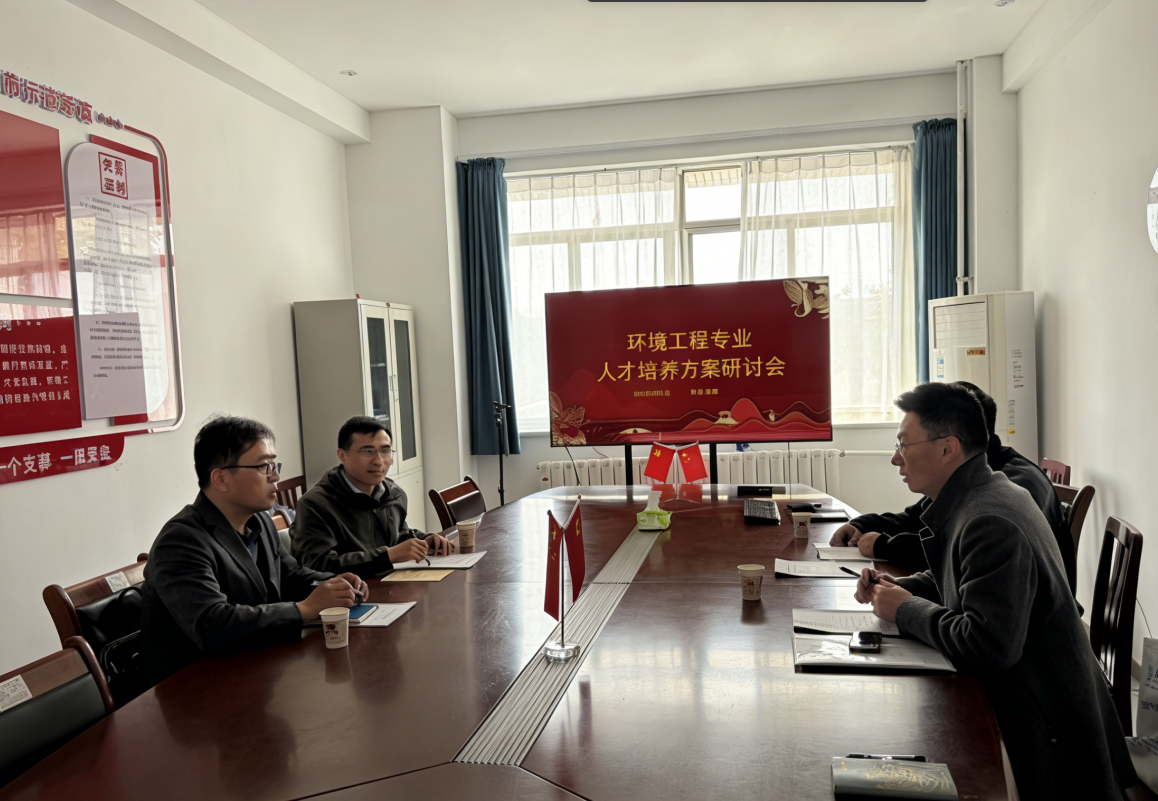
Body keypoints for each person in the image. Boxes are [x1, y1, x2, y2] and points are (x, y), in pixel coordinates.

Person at [854, 382, 1134, 800]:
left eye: (903, 445)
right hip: (1039, 708)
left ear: (947, 448)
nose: (896, 458)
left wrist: (905, 609)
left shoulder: (989, 519)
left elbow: (987, 646)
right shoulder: (984, 493)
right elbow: (965, 580)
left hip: (1050, 741)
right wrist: (902, 586)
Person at [139, 415, 368, 687]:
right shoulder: (181, 541)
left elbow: (290, 575)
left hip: (255, 668)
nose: (276, 476)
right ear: (221, 478)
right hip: (193, 688)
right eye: (263, 466)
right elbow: (212, 625)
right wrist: (304, 609)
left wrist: (332, 584)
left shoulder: (259, 521)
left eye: (274, 464)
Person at [829, 381, 1076, 594]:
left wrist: (903, 603)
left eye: (904, 445)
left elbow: (983, 634)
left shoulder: (998, 503)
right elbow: (925, 529)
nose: (895, 459)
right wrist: (865, 525)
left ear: (951, 445)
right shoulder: (968, 482)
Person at [291, 416, 454, 578]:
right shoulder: (314, 505)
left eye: (385, 451)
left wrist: (425, 540)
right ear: (342, 456)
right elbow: (318, 566)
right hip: (352, 592)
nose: (378, 461)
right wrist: (387, 555)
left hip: (395, 584)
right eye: (368, 451)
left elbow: (399, 535)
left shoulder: (394, 494)